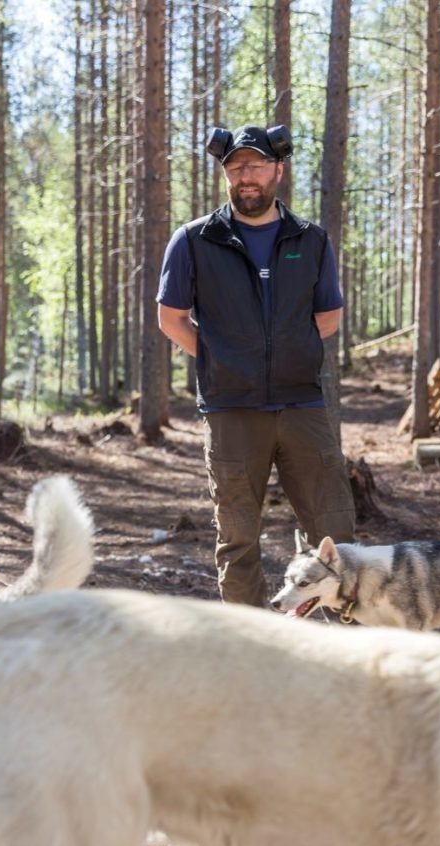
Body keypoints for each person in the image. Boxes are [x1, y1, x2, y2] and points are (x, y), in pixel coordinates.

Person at [155, 124, 356, 606]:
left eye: (256, 166)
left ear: (278, 171)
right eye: (236, 167)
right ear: (225, 174)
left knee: (336, 537)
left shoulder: (310, 240)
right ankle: (250, 647)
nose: (246, 177)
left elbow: (327, 316)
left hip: (303, 407)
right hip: (232, 412)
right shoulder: (194, 240)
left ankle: (344, 647)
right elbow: (171, 318)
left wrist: (286, 354)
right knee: (238, 540)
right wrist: (222, 359)